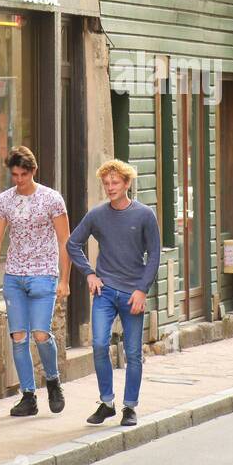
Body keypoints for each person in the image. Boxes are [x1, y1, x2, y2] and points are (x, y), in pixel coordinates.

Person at [66, 159, 161, 427]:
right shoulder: (97, 215)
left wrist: (142, 290)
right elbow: (72, 243)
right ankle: (106, 402)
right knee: (98, 345)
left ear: (127, 183)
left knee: (132, 353)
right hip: (105, 292)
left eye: (115, 183)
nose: (110, 188)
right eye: (106, 183)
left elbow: (154, 255)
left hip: (133, 294)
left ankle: (129, 407)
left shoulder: (144, 215)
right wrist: (89, 273)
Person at [0, 146, 71, 417]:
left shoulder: (51, 199)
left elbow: (64, 240)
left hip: (44, 273)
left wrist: (65, 279)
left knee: (41, 334)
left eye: (23, 174)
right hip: (14, 276)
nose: (19, 179)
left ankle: (54, 381)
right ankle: (28, 395)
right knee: (18, 336)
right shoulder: (5, 200)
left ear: (33, 171)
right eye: (14, 174)